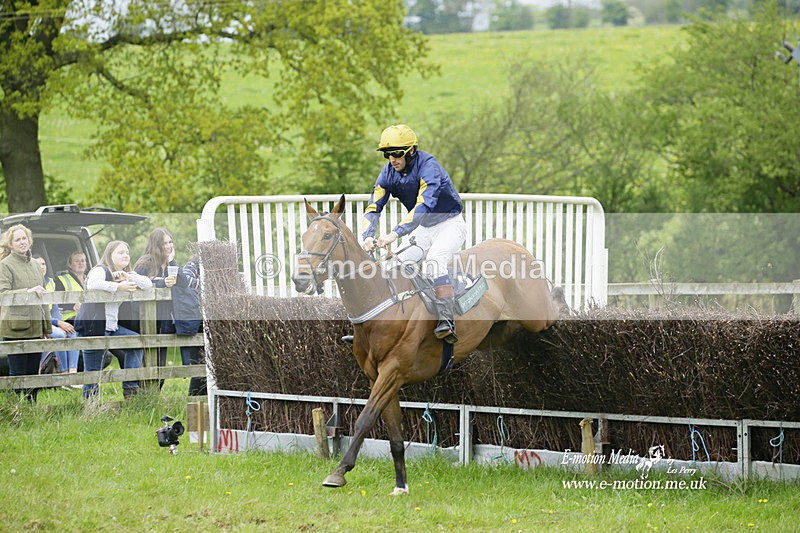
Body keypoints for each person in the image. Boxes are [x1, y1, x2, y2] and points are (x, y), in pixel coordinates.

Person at [361, 124, 467, 343]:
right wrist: (367, 235)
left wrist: (395, 233)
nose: (392, 159)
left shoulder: (429, 166)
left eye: (397, 153)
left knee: (434, 262)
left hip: (449, 224)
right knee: (392, 265)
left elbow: (423, 206)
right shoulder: (388, 172)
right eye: (387, 154)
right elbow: (374, 205)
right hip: (424, 228)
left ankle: (446, 321)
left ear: (411, 151)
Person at [77, 240, 152, 399]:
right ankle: (91, 406)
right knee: (93, 371)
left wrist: (128, 276)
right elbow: (92, 284)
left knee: (137, 343)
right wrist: (117, 286)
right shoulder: (100, 270)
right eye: (120, 252)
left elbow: (147, 284)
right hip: (94, 327)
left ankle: (130, 389)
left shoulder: (127, 273)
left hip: (112, 327)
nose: (125, 255)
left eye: (127, 252)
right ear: (110, 255)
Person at [0, 224, 51, 401]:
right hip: (15, 327)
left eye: (24, 238)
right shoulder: (5, 265)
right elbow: (2, 294)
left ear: (29, 240)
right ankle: (16, 408)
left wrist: (47, 327)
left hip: (36, 326)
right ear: (11, 244)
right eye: (17, 239)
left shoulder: (36, 265)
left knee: (33, 372)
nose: (22, 242)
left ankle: (31, 407)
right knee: (18, 372)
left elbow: (43, 297)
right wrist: (27, 292)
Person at [133, 229, 178, 372]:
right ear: (156, 245)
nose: (168, 246)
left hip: (165, 317)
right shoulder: (144, 264)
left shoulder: (170, 264)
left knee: (161, 359)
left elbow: (181, 280)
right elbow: (139, 286)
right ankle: (142, 391)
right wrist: (161, 283)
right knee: (147, 357)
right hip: (146, 317)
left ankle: (156, 391)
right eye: (164, 243)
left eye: (170, 242)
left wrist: (172, 260)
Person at [34, 255, 79, 374]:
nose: (42, 267)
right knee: (59, 335)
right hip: (39, 322)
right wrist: (58, 323)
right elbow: (38, 313)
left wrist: (61, 323)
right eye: (38, 264)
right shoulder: (32, 285)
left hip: (51, 320)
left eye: (43, 264)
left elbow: (55, 308)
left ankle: (73, 372)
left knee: (72, 333)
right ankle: (64, 373)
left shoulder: (51, 282)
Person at [172, 255, 206, 396]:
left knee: (205, 364)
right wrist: (206, 285)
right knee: (198, 362)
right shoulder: (191, 266)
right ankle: (193, 397)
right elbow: (186, 280)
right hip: (194, 319)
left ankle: (201, 396)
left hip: (206, 320)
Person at [54, 251, 87, 324]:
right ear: (70, 265)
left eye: (83, 260)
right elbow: (55, 304)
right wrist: (72, 306)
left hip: (87, 319)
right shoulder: (61, 280)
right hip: (69, 321)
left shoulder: (91, 280)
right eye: (77, 261)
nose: (80, 263)